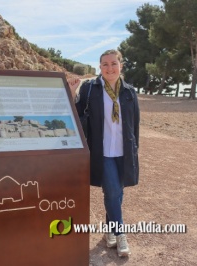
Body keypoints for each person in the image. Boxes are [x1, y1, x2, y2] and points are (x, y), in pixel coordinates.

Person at [68, 49, 140, 257]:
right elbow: (77, 113)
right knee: (112, 192)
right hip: (102, 151)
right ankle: (120, 233)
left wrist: (134, 150)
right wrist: (73, 94)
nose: (110, 68)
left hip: (124, 151)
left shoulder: (129, 92)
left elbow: (135, 125)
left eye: (113, 63)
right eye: (105, 64)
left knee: (119, 192)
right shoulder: (91, 89)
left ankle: (110, 230)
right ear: (100, 67)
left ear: (121, 66)